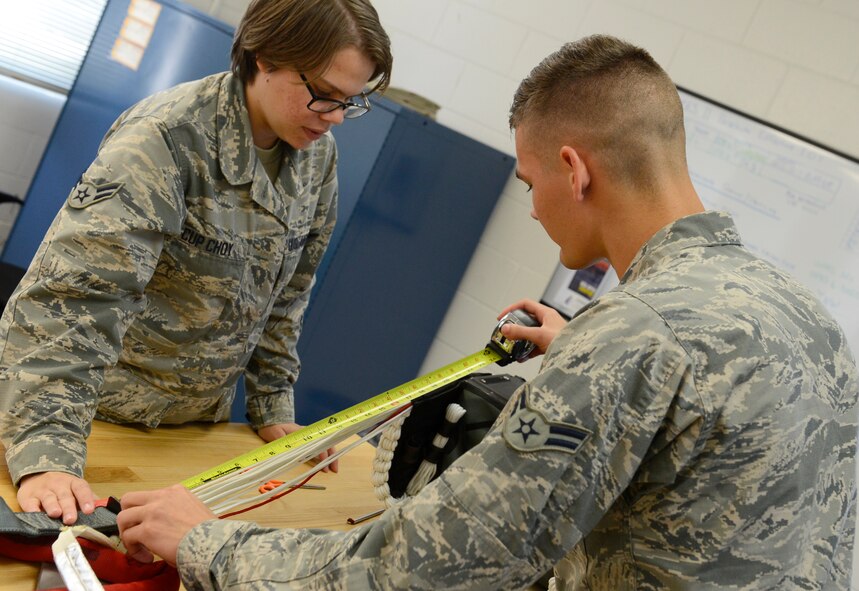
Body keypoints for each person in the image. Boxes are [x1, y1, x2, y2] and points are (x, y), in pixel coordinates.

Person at [116, 34, 857, 590]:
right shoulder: (801, 314)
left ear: (573, 170)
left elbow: (428, 565)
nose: (530, 209)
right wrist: (590, 359)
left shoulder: (632, 339)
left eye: (529, 181)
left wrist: (206, 541)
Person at [0, 0, 392, 527]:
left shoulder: (317, 157)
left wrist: (272, 406)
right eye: (324, 95)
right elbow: (73, 302)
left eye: (352, 101)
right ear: (265, 57)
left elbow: (288, 294)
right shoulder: (165, 138)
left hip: (189, 430)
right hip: (87, 420)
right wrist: (45, 453)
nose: (337, 118)